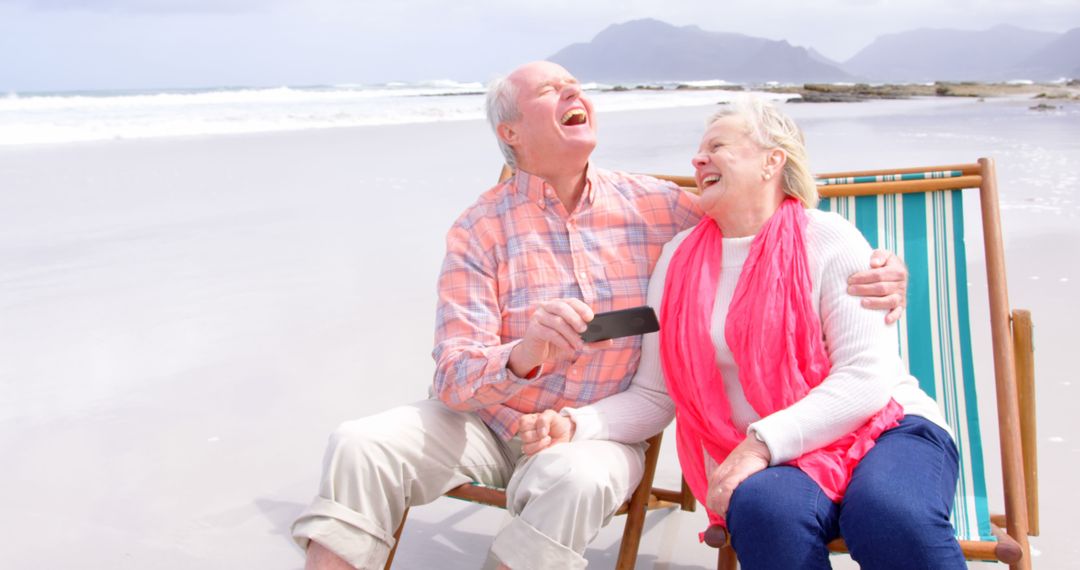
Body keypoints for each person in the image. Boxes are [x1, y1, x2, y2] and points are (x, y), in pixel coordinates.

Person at [291, 62, 909, 570]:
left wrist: (879, 271)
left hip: (600, 431)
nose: (574, 93)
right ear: (510, 131)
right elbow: (452, 377)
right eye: (550, 91)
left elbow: (768, 226)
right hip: (485, 425)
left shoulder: (658, 207)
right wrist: (522, 353)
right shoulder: (479, 229)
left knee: (574, 480)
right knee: (360, 444)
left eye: (576, 87)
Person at [526, 96, 965, 569]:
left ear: (772, 160)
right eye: (697, 151)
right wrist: (576, 424)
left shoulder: (828, 238)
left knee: (887, 513)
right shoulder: (677, 260)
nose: (698, 159)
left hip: (885, 430)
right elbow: (655, 395)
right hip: (783, 460)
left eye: (717, 145)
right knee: (765, 511)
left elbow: (865, 378)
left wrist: (758, 444)